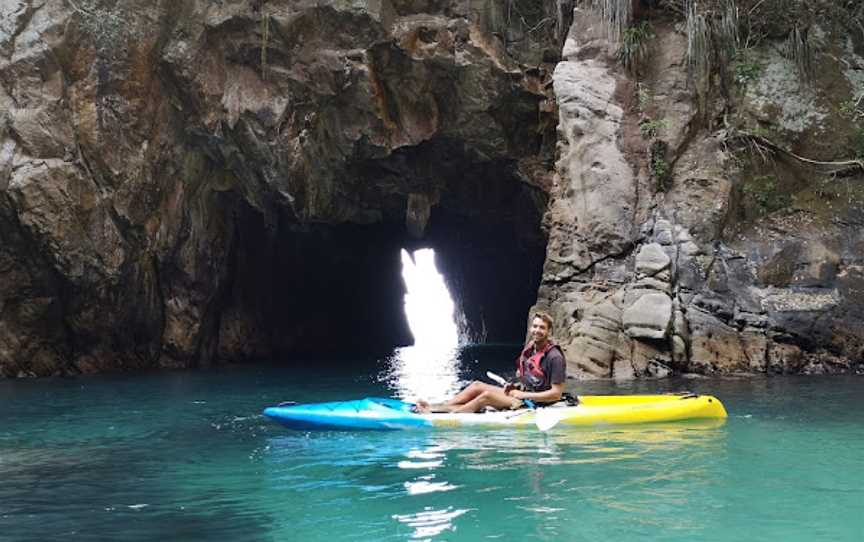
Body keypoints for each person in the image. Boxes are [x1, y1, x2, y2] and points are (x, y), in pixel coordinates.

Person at [414, 311, 566, 413]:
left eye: (542, 328)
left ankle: (448, 414)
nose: (537, 330)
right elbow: (530, 379)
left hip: (534, 403)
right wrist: (516, 387)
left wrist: (522, 394)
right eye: (534, 326)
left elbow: (556, 394)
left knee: (486, 396)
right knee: (477, 386)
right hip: (523, 395)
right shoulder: (531, 349)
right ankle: (438, 407)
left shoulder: (555, 357)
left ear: (549, 331)